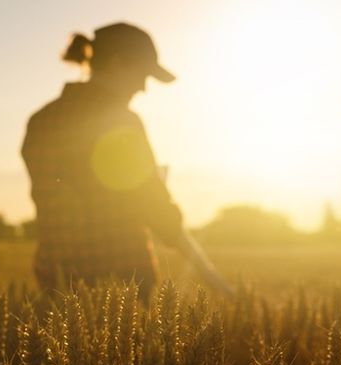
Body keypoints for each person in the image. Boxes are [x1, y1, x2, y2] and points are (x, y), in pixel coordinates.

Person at [22, 22, 232, 297]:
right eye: (142, 74)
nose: (144, 88)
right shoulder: (121, 121)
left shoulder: (40, 121)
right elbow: (156, 209)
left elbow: (67, 192)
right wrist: (216, 281)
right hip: (121, 279)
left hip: (55, 277)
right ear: (118, 63)